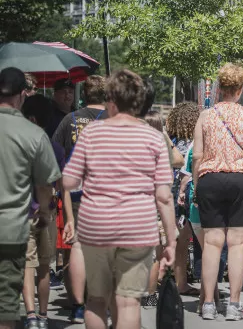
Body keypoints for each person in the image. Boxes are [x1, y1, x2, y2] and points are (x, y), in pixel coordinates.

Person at [62, 69, 176, 329]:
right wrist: (170, 240)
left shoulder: (91, 134)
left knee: (97, 300)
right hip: (138, 228)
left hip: (96, 226)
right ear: (138, 101)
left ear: (110, 101)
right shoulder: (154, 137)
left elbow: (68, 181)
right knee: (128, 303)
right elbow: (163, 195)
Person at [192, 63, 243, 321]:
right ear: (240, 89)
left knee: (212, 242)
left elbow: (197, 155)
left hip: (211, 179)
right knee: (238, 243)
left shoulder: (205, 116)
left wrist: (198, 185)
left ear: (219, 88)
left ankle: (208, 303)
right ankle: (233, 303)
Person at [0, 68, 61, 329]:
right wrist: (46, 215)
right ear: (22, 95)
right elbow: (45, 185)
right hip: (11, 229)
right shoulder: (33, 134)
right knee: (6, 305)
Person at [52, 75, 108, 324]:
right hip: (107, 191)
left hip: (75, 189)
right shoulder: (115, 120)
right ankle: (99, 301)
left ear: (84, 94)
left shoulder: (71, 119)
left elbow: (54, 153)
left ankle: (77, 304)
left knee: (76, 246)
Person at [20, 95, 65, 329]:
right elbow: (59, 184)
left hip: (24, 212)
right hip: (47, 213)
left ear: (31, 118)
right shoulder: (56, 148)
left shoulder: (19, 144)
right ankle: (45, 315)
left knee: (28, 265)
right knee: (45, 267)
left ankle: (30, 315)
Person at [165, 102, 201, 296]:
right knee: (181, 241)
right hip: (182, 197)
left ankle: (153, 298)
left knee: (164, 245)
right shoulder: (194, 144)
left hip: (163, 195)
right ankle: (181, 284)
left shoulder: (169, 141)